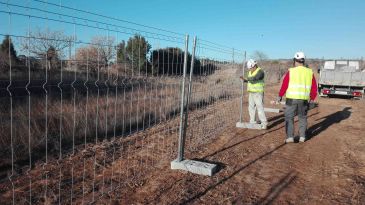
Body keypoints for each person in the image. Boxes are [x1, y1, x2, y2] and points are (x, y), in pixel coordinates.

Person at [276, 51, 317, 143]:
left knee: (289, 117)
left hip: (291, 99)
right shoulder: (309, 72)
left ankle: (290, 137)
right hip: (303, 100)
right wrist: (312, 97)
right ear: (303, 61)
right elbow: (314, 87)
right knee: (302, 117)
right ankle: (302, 137)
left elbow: (285, 85)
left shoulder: (291, 71)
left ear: (295, 60)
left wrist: (280, 95)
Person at [240, 59, 268, 129]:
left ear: (254, 65)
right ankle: (252, 121)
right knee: (251, 107)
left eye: (250, 68)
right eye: (249, 68)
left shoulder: (260, 71)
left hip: (258, 92)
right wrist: (245, 80)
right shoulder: (250, 72)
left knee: (259, 107)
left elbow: (255, 78)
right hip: (251, 92)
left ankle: (264, 123)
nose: (250, 69)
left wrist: (247, 79)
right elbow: (250, 80)